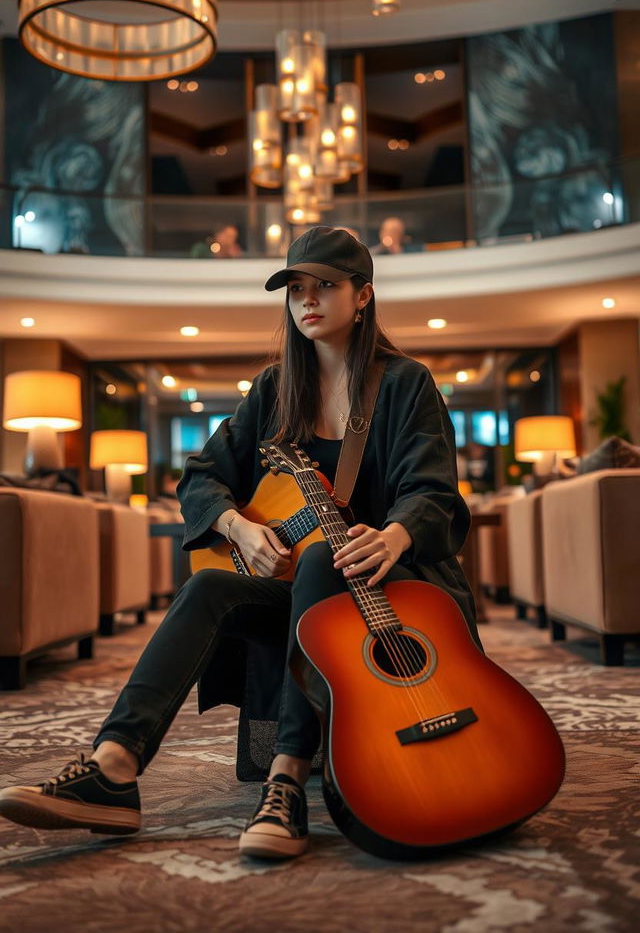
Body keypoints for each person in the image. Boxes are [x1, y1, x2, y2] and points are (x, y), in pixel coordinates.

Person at [0, 226, 480, 860]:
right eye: (296, 289)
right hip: (309, 599)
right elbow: (200, 474)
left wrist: (395, 533)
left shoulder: (405, 383)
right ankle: (114, 766)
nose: (307, 300)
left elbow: (433, 490)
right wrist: (238, 527)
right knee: (208, 587)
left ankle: (284, 778)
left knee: (317, 562)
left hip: (398, 594)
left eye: (325, 287)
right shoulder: (277, 388)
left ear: (362, 296)